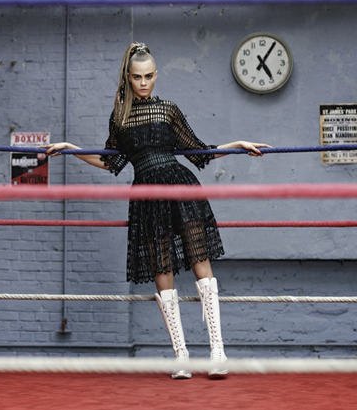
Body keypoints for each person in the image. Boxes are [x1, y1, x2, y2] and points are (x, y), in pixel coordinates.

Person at [45, 42, 270, 379]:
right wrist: (71, 149)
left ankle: (218, 352)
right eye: (137, 77)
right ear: (128, 77)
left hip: (181, 188)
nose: (144, 82)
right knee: (161, 270)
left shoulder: (168, 110)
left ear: (156, 75)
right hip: (148, 197)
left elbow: (198, 152)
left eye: (149, 76)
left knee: (201, 264)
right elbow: (109, 162)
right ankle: (181, 356)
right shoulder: (120, 118)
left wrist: (237, 145)